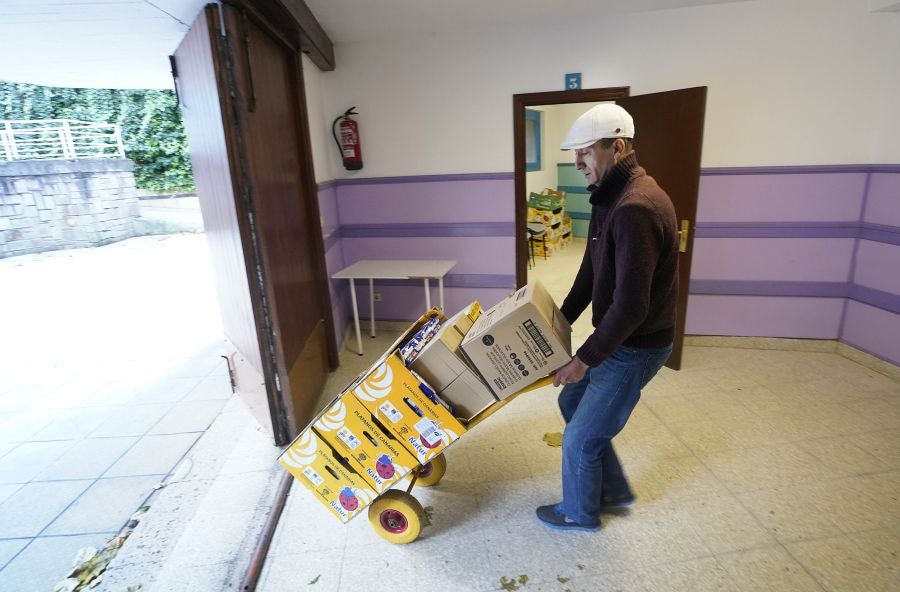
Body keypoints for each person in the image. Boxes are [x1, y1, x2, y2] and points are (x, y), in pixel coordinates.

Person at [536, 103, 678, 532]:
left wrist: (583, 359)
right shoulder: (609, 196)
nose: (578, 163)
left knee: (580, 438)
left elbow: (632, 305)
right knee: (573, 401)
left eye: (585, 152)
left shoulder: (636, 207)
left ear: (616, 147)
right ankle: (611, 489)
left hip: (637, 346)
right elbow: (591, 271)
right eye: (574, 154)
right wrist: (556, 323)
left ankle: (578, 513)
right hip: (622, 338)